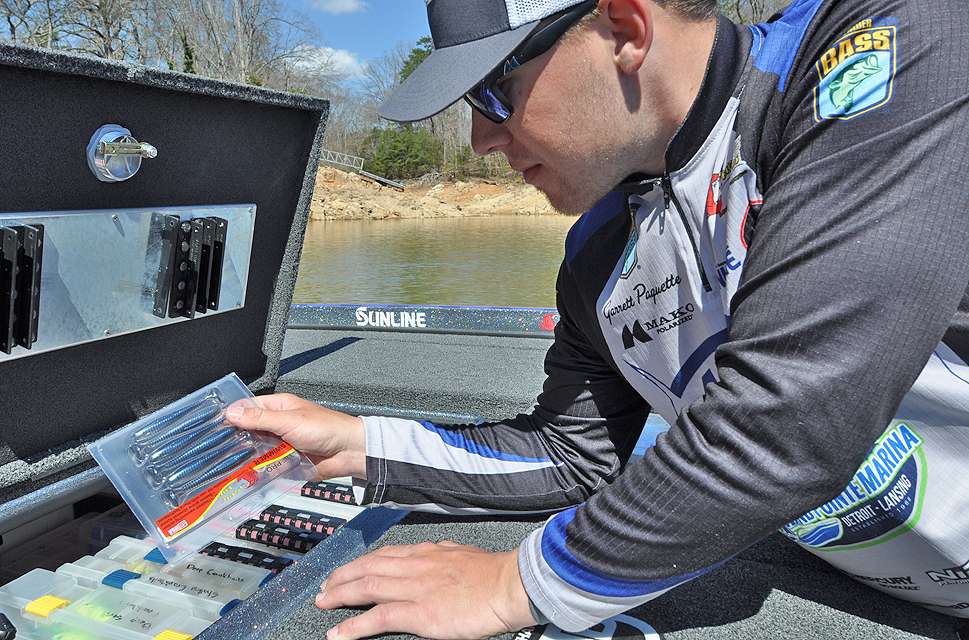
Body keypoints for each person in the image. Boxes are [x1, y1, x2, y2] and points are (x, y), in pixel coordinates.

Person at [225, 0, 969, 638]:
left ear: (625, 28)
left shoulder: (887, 47)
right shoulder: (596, 253)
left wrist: (515, 585)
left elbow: (791, 418)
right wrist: (359, 443)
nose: (481, 138)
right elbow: (572, 457)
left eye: (494, 92)